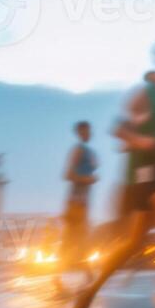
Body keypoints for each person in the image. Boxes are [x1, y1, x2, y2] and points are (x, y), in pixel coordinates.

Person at [71, 46, 155, 308]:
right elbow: (119, 129)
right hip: (149, 170)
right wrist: (143, 141)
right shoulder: (144, 93)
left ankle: (89, 292)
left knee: (134, 243)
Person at [57, 121, 100, 295]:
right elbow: (67, 174)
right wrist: (89, 179)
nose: (89, 133)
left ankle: (86, 274)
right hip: (76, 201)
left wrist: (89, 178)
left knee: (79, 239)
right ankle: (65, 276)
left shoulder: (87, 150)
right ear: (80, 132)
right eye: (86, 131)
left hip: (82, 202)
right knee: (73, 240)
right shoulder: (78, 149)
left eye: (90, 130)